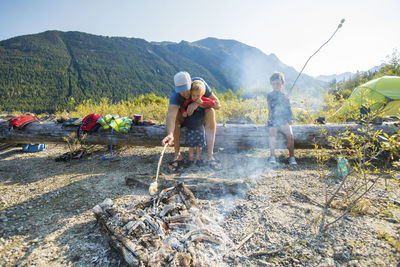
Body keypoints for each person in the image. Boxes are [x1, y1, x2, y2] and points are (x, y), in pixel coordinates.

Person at [161, 71, 222, 171]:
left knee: (211, 111)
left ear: (191, 84)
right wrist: (170, 134)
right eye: (181, 91)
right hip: (185, 117)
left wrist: (197, 104)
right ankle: (177, 155)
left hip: (199, 118)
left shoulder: (200, 85)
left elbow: (218, 105)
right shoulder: (175, 94)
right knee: (175, 116)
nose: (184, 93)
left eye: (186, 89)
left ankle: (210, 156)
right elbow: (171, 114)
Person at [180, 81, 216, 167]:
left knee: (199, 145)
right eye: (193, 95)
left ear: (202, 94)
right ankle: (191, 159)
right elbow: (182, 107)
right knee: (191, 145)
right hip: (190, 127)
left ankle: (199, 159)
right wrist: (184, 112)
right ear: (191, 93)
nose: (195, 98)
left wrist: (202, 103)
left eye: (198, 96)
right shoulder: (188, 101)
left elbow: (213, 103)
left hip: (200, 127)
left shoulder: (203, 100)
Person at [267, 72, 297, 165]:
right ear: (271, 84)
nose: (276, 86)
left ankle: (292, 157)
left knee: (290, 133)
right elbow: (272, 107)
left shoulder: (285, 96)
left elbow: (288, 109)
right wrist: (282, 100)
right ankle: (272, 156)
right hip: (273, 120)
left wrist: (290, 118)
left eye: (278, 84)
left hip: (283, 120)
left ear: (282, 84)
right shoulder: (270, 95)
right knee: (272, 132)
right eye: (274, 84)